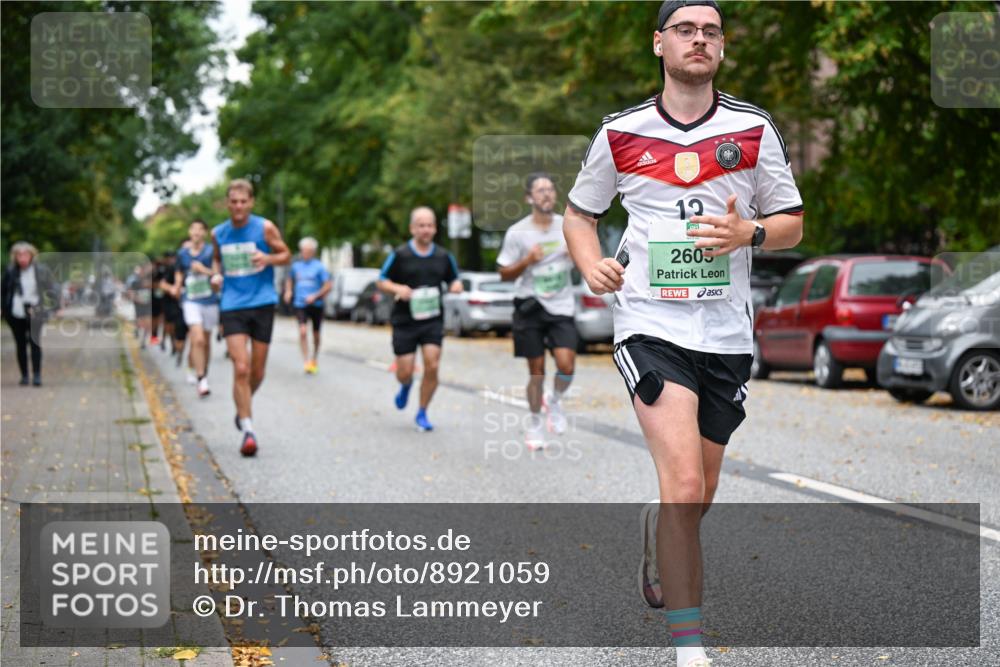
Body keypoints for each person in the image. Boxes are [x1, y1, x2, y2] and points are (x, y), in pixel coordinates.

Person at [563, 2, 804, 666]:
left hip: (724, 331)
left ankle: (657, 535)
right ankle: (688, 644)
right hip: (649, 322)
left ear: (722, 48)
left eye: (711, 31)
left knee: (701, 491)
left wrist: (748, 231)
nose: (699, 39)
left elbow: (790, 222)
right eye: (686, 29)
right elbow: (579, 215)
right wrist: (591, 263)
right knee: (685, 486)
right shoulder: (622, 133)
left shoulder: (753, 129)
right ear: (658, 43)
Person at [497, 173, 578, 450]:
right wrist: (527, 260)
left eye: (550, 190)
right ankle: (534, 422)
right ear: (529, 198)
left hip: (561, 305)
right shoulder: (517, 232)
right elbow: (504, 274)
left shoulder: (568, 226)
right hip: (530, 306)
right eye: (540, 190)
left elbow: (589, 256)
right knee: (537, 372)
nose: (546, 194)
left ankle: (554, 400)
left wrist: (575, 254)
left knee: (566, 365)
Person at [210, 179, 291, 456]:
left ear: (251, 203)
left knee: (257, 372)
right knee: (241, 368)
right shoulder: (218, 233)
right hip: (232, 304)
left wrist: (268, 259)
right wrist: (216, 275)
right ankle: (248, 428)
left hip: (262, 303)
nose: (238, 206)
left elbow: (286, 254)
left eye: (243, 201)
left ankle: (242, 406)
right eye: (233, 201)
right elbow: (217, 260)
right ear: (227, 203)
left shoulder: (264, 227)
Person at [376, 207, 462, 432]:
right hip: (405, 320)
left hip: (432, 320)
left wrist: (456, 286)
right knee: (405, 371)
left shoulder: (444, 256)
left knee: (432, 365)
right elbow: (381, 280)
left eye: (430, 225)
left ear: (435, 228)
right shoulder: (400, 254)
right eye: (421, 225)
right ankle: (405, 385)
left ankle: (423, 411)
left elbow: (455, 279)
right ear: (412, 228)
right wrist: (397, 288)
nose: (426, 230)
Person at [2, 242, 59, 386]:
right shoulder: (10, 271)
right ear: (15, 257)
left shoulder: (41, 270)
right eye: (19, 255)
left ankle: (37, 375)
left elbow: (51, 288)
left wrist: (55, 306)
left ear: (31, 255)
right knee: (20, 344)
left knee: (35, 343)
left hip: (35, 311)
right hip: (15, 312)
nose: (22, 258)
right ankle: (24, 375)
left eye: (25, 254)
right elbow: (3, 292)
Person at [176, 220, 219, 395]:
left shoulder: (211, 251)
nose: (196, 232)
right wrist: (177, 285)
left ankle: (204, 373)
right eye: (193, 228)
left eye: (200, 229)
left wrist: (204, 270)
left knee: (206, 342)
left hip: (209, 301)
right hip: (190, 300)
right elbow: (179, 271)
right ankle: (201, 378)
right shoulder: (182, 253)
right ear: (189, 231)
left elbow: (217, 274)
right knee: (198, 339)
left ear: (205, 233)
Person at [283, 237, 332, 374]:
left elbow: (328, 285)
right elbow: (289, 279)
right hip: (300, 303)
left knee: (316, 334)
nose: (306, 253)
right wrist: (288, 291)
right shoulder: (296, 266)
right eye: (304, 250)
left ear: (313, 252)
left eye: (309, 251)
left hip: (316, 304)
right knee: (303, 331)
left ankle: (314, 357)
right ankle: (306, 361)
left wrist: (315, 296)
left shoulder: (319, 267)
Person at [159, 251, 188, 367]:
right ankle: (175, 347)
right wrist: (173, 289)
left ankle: (181, 351)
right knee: (174, 328)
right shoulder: (173, 268)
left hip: (192, 305)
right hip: (173, 304)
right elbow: (162, 284)